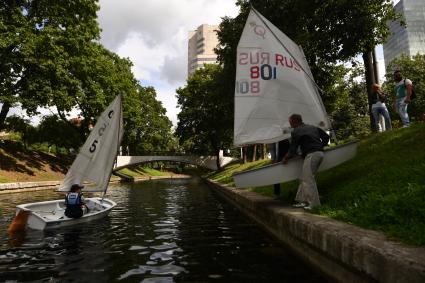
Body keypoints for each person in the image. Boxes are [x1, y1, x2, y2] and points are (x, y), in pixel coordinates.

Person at [283, 114, 330, 210]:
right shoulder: (312, 127)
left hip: (312, 155)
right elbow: (326, 137)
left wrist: (286, 157)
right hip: (318, 153)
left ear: (295, 121)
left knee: (308, 179)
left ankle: (314, 204)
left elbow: (293, 148)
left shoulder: (296, 131)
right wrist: (320, 146)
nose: (290, 124)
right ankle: (302, 201)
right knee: (303, 178)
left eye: (290, 122)